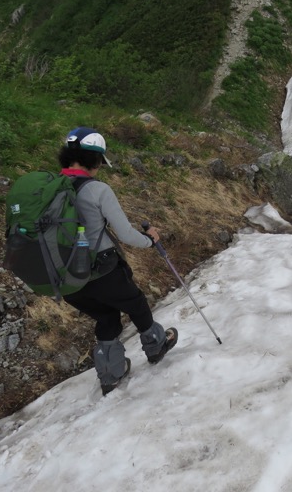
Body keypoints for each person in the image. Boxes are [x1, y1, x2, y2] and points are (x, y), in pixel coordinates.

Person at [58, 127, 177, 395]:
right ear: (95, 159)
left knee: (106, 314)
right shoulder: (97, 189)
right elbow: (125, 234)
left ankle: (111, 373)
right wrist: (151, 240)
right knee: (135, 302)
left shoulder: (50, 188)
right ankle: (156, 345)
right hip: (100, 269)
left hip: (65, 277)